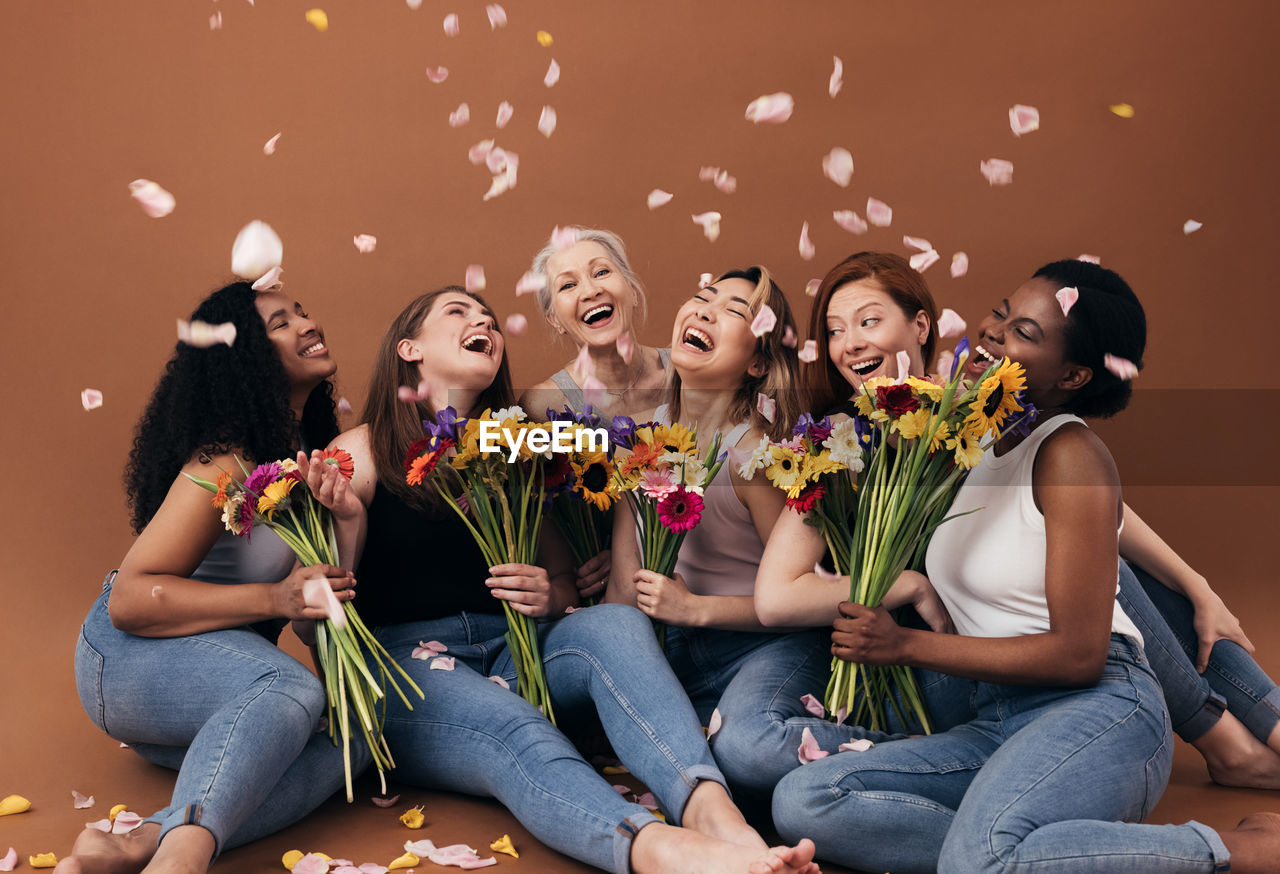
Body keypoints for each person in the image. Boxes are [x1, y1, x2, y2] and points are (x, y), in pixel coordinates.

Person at [769, 259, 1280, 873]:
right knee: (806, 798)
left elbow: (1079, 656)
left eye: (1024, 334)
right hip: (997, 715)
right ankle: (1028, 847)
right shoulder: (977, 437)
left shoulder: (1069, 453)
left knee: (980, 862)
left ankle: (1239, 851)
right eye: (1001, 313)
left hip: (1099, 710)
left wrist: (904, 646)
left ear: (1073, 374)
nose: (992, 334)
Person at [323, 285, 820, 874]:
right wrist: (349, 524)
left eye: (488, 317)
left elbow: (562, 586)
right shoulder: (360, 451)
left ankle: (716, 816)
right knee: (517, 728)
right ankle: (664, 852)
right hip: (406, 674)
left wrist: (548, 593)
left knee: (611, 624)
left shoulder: (514, 450)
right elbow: (321, 626)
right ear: (408, 349)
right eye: (458, 313)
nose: (482, 320)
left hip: (515, 651)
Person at [57, 281, 363, 874]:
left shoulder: (306, 453)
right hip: (125, 658)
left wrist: (343, 530)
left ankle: (135, 844)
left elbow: (311, 612)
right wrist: (275, 597)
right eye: (280, 323)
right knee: (293, 689)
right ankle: (181, 863)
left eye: (301, 312)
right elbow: (128, 599)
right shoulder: (225, 462)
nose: (307, 323)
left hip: (216, 697)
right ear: (243, 356)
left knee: (353, 743)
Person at [606, 268, 833, 773]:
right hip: (681, 649)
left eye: (734, 311)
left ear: (757, 364)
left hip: (768, 647)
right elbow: (623, 586)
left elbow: (803, 598)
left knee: (745, 746)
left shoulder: (753, 457)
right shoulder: (643, 444)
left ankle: (888, 744)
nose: (705, 310)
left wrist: (694, 609)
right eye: (702, 296)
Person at [521, 227, 671, 421]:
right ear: (555, 320)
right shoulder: (543, 405)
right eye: (568, 285)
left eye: (601, 272)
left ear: (632, 291)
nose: (591, 291)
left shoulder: (686, 372)